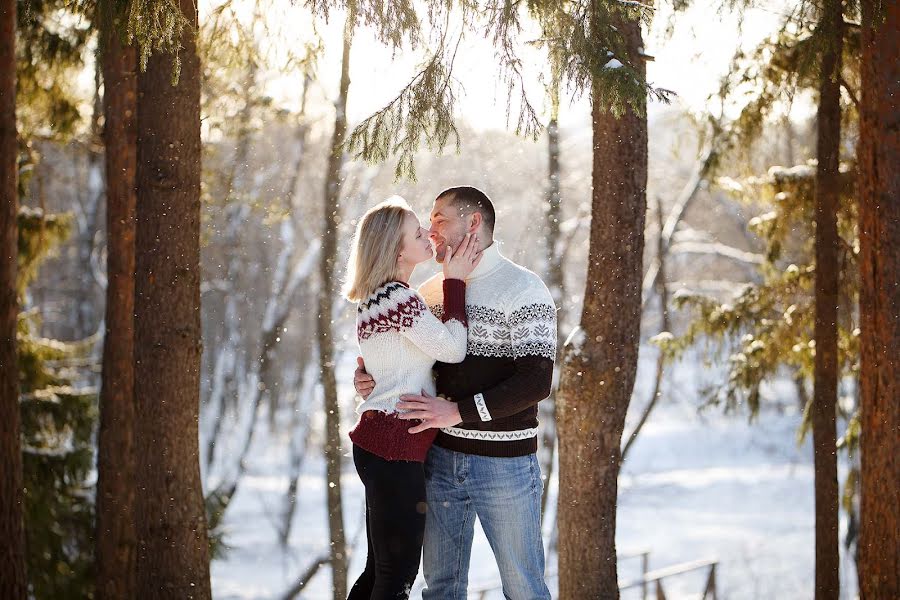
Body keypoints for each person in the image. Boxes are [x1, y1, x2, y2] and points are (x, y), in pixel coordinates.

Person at [354, 186, 557, 600]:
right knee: (440, 588)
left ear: (474, 223)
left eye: (440, 220)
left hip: (505, 466)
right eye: (426, 222)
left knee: (524, 588)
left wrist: (460, 412)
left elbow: (535, 382)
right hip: (436, 458)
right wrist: (369, 377)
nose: (430, 231)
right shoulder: (429, 291)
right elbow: (405, 357)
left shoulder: (523, 288)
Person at [343, 196, 482, 600]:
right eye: (417, 232)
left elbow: (389, 368)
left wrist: (364, 378)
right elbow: (453, 348)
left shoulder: (380, 298)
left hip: (382, 442)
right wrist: (454, 281)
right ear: (396, 248)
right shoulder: (398, 300)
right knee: (396, 575)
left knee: (379, 572)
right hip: (392, 445)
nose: (428, 234)